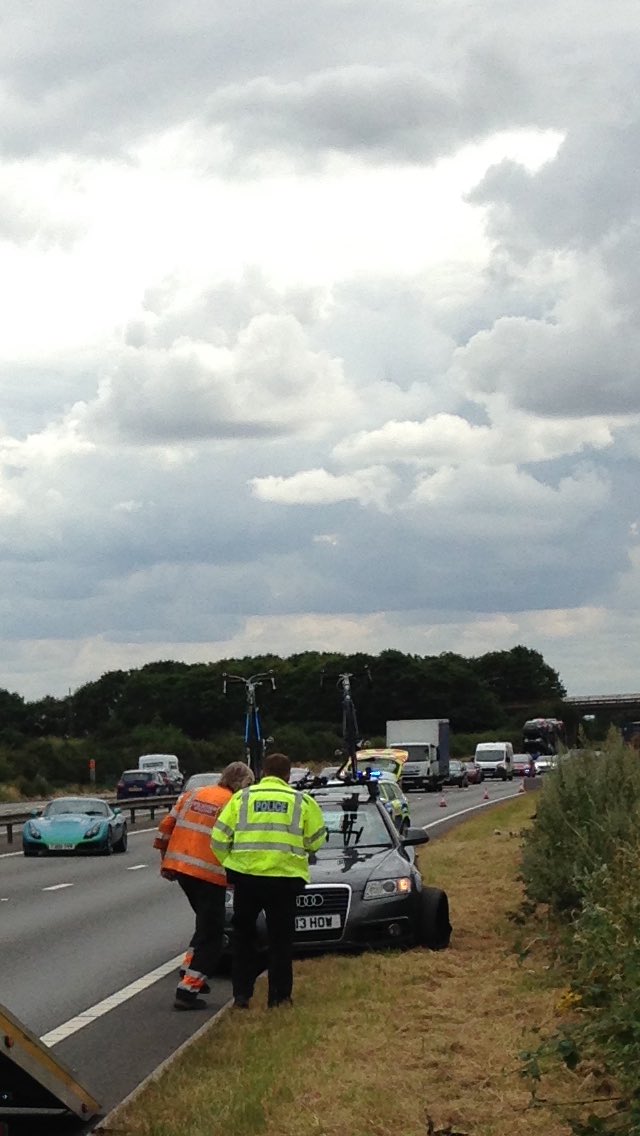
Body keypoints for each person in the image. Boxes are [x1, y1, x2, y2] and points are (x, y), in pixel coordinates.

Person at [211, 752, 326, 1009]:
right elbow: (317, 839)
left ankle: (241, 996)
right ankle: (279, 997)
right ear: (288, 775)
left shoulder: (242, 798)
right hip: (284, 880)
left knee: (243, 938)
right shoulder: (301, 801)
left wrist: (231, 864)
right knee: (281, 941)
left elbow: (218, 839)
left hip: (247, 878)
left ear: (263, 772)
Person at [154, 761, 254, 1010]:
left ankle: (189, 969)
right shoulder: (234, 803)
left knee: (205, 925)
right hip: (210, 874)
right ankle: (188, 991)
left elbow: (166, 827)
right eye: (249, 785)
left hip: (182, 869)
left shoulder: (194, 794)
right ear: (241, 783)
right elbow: (238, 841)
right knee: (213, 935)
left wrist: (166, 860)